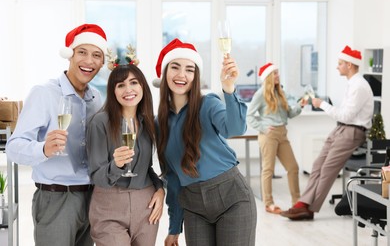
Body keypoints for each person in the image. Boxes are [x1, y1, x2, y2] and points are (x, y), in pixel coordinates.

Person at [6, 23, 108, 245]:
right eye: (82, 52)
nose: (89, 61)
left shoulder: (97, 99)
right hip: (56, 199)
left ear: (102, 62)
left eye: (96, 55)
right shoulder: (44, 93)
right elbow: (14, 148)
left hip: (91, 198)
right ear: (70, 55)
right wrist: (43, 148)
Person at [154, 38, 257, 246]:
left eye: (189, 69)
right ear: (164, 74)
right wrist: (174, 228)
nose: (182, 75)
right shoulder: (159, 123)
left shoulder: (208, 104)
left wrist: (229, 89)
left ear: (196, 76)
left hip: (232, 198)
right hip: (193, 206)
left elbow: (235, 129)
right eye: (175, 67)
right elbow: (173, 178)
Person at [280, 45, 374, 220]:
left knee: (327, 169)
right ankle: (303, 204)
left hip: (352, 131)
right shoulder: (352, 85)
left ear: (350, 65)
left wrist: (321, 104)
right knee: (317, 165)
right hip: (342, 128)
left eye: (340, 63)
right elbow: (345, 115)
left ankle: (308, 208)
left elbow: (346, 115)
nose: (337, 67)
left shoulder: (359, 86)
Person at [86, 56, 165, 245]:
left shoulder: (149, 123)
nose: (128, 89)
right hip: (109, 206)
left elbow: (147, 169)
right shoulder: (100, 122)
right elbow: (96, 175)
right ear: (113, 91)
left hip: (146, 207)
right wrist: (117, 165)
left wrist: (161, 190)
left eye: (134, 83)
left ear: (142, 87)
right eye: (120, 85)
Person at [247, 63, 307, 214]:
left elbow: (290, 114)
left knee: (293, 167)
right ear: (267, 77)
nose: (278, 75)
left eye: (277, 73)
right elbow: (249, 116)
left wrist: (300, 106)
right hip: (269, 135)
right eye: (274, 73)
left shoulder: (281, 92)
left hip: (282, 133)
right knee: (268, 169)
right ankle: (269, 203)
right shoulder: (261, 94)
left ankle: (296, 202)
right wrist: (263, 128)